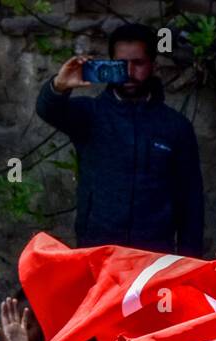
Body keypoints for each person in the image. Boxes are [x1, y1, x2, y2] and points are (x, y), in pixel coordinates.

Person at [36, 23, 203, 256]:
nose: (129, 72)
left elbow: (191, 202)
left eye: (138, 63)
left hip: (153, 257)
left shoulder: (175, 126)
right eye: (121, 64)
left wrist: (189, 264)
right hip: (97, 251)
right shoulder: (90, 115)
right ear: (111, 63)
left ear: (153, 66)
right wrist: (59, 85)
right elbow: (48, 110)